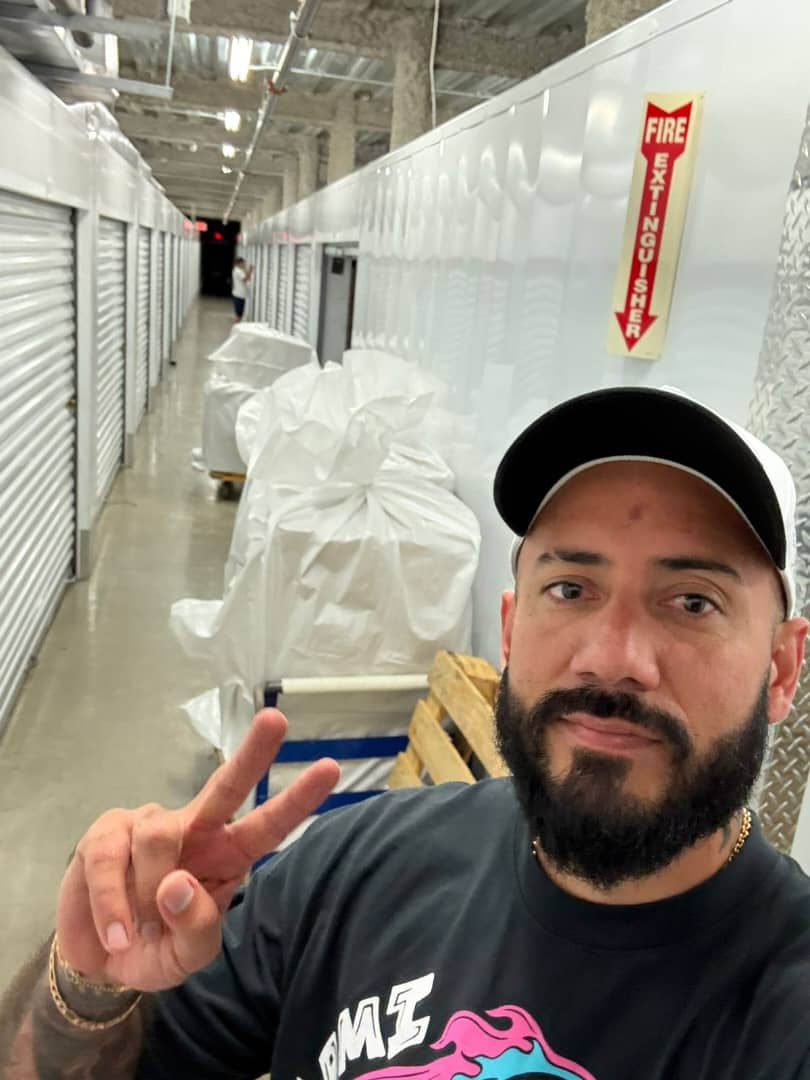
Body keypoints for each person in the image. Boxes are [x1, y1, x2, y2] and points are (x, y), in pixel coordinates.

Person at [2, 384, 810, 1080]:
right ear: (510, 628)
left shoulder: (782, 1011)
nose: (613, 657)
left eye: (693, 602)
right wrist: (90, 983)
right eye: (570, 588)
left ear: (780, 668)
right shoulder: (360, 868)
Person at [231, 257, 252, 321]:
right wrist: (250, 270)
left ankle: (238, 321)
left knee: (240, 313)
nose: (245, 264)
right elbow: (245, 279)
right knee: (239, 314)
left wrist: (246, 269)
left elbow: (247, 277)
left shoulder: (240, 270)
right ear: (239, 263)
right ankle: (237, 323)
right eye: (244, 263)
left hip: (241, 294)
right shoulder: (237, 271)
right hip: (238, 295)